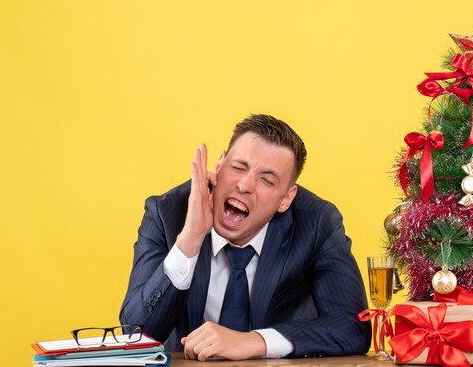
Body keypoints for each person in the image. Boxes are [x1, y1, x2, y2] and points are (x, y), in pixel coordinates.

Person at [120, 114, 371, 361]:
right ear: (218, 166)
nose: (245, 185)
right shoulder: (167, 213)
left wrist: (256, 341)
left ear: (286, 198)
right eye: (238, 167)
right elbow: (135, 335)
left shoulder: (316, 222)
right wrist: (189, 241)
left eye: (267, 180)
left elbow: (354, 327)